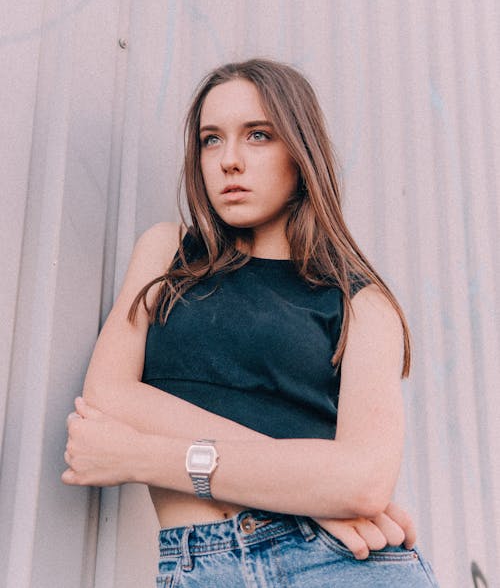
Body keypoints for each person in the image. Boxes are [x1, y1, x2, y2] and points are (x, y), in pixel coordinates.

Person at [62, 58, 439, 586]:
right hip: (201, 562)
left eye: (257, 135)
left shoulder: (361, 304)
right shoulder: (169, 252)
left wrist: (147, 455)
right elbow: (106, 397)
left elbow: (364, 481)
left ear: (300, 151)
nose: (229, 161)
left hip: (337, 565)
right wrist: (308, 485)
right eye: (210, 140)